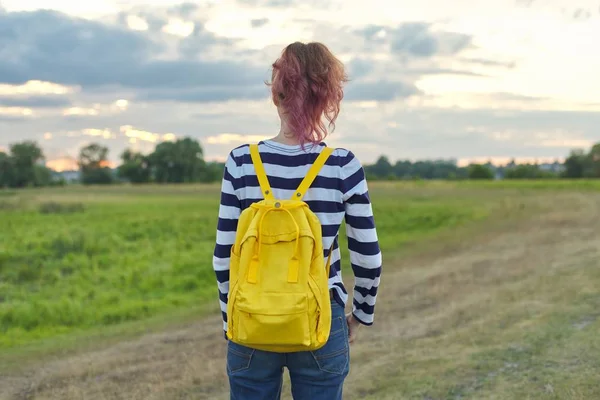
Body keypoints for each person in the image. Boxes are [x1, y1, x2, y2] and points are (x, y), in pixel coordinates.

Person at [212, 41, 383, 400]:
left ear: (276, 95)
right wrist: (359, 315)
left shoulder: (241, 162)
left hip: (252, 317)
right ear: (328, 99)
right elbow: (367, 258)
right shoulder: (342, 165)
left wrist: (232, 320)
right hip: (322, 315)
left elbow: (223, 257)